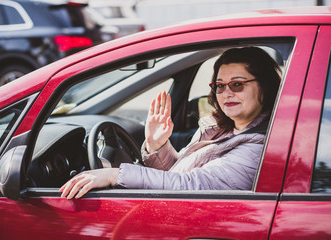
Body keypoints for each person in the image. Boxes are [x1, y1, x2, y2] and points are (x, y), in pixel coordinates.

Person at [60, 46, 281, 199]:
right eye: (220, 86)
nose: (226, 93)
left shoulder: (258, 146)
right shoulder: (220, 129)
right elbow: (176, 177)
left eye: (237, 84)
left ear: (265, 86)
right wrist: (157, 145)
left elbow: (194, 187)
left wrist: (113, 175)